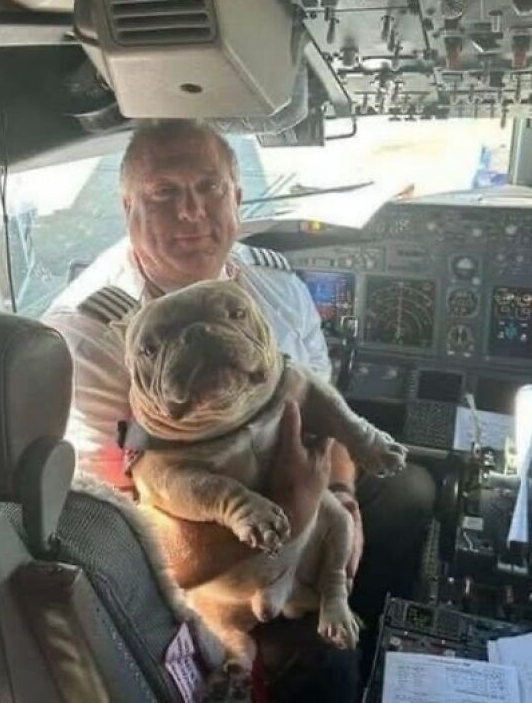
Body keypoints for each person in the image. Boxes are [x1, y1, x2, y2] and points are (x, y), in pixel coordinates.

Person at [45, 118, 436, 697]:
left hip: (302, 501)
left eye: (209, 187)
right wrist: (294, 508)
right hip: (210, 564)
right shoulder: (91, 339)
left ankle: (367, 629)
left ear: (237, 196)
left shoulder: (278, 287)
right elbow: (127, 551)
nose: (191, 212)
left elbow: (324, 418)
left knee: (411, 491)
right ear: (128, 208)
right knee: (327, 670)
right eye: (164, 193)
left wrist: (344, 500)